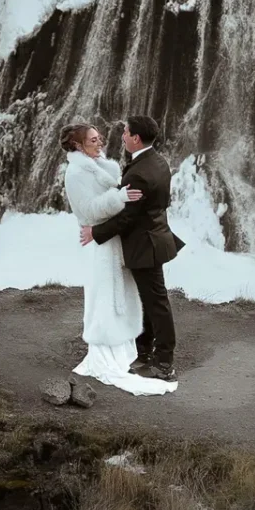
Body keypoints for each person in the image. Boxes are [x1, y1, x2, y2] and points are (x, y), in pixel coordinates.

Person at [61, 123, 176, 396]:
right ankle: (129, 351)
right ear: (78, 145)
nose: (103, 141)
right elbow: (90, 209)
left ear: (136, 138)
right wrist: (117, 200)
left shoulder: (121, 167)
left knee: (143, 299)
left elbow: (129, 214)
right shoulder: (78, 172)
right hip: (118, 243)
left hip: (131, 241)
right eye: (94, 139)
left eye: (101, 137)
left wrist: (98, 230)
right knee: (113, 296)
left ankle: (156, 358)